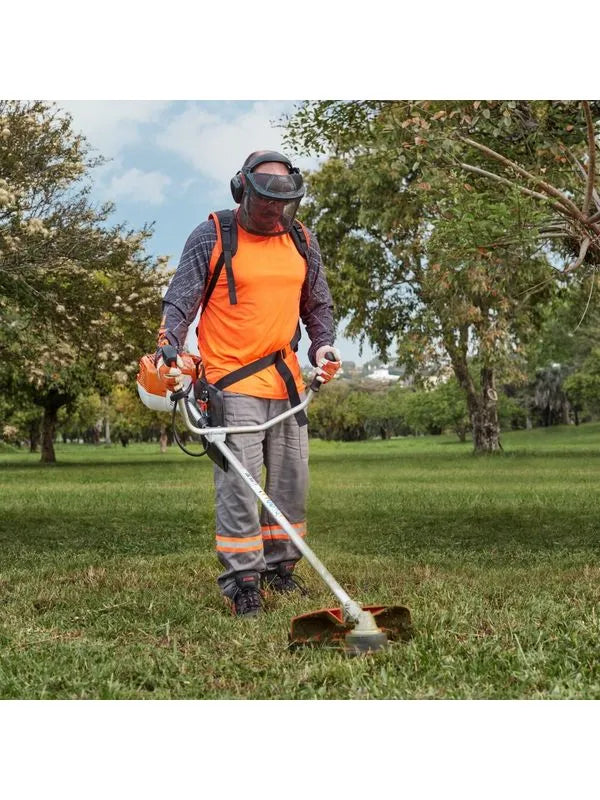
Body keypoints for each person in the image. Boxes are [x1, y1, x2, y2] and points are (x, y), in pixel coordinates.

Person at [155, 150, 341, 617]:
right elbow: (181, 299)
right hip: (230, 381)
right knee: (240, 488)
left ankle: (281, 569)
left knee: (291, 484)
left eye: (284, 205)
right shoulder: (214, 234)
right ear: (243, 192)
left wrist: (322, 346)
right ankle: (243, 581)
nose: (275, 214)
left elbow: (318, 304)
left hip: (286, 382)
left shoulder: (300, 239)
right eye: (266, 206)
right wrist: (169, 343)